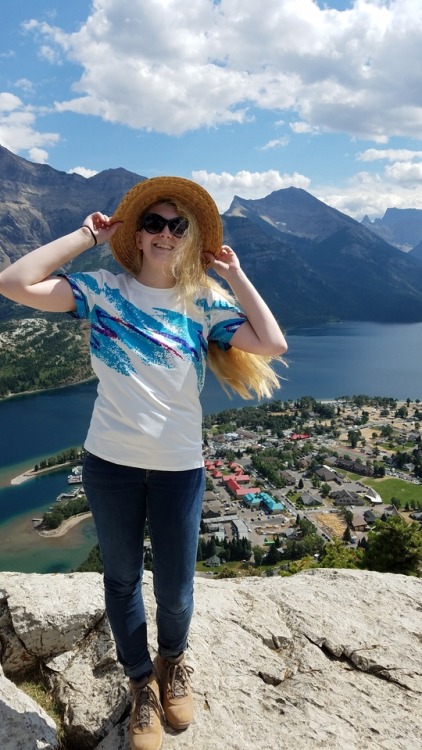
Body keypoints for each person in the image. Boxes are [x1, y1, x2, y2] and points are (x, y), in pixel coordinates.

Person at [0, 176, 287, 750]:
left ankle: (172, 663)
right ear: (137, 232)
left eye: (176, 225)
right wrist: (86, 235)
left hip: (180, 468)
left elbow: (271, 343)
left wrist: (234, 274)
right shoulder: (103, 289)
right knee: (123, 579)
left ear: (188, 237)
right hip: (111, 464)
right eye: (152, 222)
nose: (163, 233)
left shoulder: (203, 303)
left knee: (177, 589)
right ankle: (141, 688)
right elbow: (13, 282)